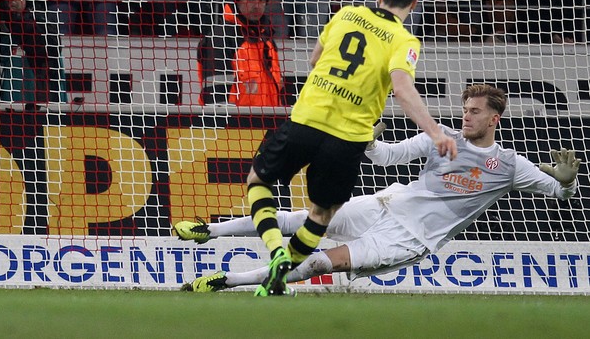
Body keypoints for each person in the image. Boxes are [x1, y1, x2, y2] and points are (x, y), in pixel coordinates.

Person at [175, 84, 581, 292]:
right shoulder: (439, 137)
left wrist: (567, 182)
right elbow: (387, 157)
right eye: (465, 109)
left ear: (494, 119)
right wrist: (369, 141)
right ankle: (207, 231)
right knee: (300, 218)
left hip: (410, 237)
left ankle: (227, 281)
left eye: (475, 112)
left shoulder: (509, 165)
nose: (466, 116)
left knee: (320, 263)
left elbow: (561, 193)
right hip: (386, 204)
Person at [210, 0, 457, 296]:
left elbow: (315, 61)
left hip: (309, 117)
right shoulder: (405, 40)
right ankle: (278, 273)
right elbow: (402, 88)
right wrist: (436, 132)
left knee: (257, 181)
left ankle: (276, 249)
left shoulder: (346, 14)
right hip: (349, 135)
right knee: (323, 212)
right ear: (413, 4)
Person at [197, 0, 283, 106]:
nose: (256, 6)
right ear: (237, 0)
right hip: (236, 125)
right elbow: (216, 102)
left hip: (268, 122)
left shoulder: (267, 40)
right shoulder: (220, 38)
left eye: (262, 0)